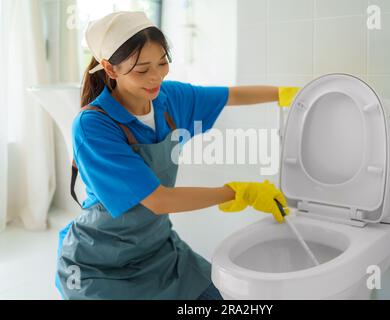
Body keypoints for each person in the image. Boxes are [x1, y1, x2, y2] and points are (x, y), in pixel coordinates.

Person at [55, 11, 300, 300]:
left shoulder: (168, 98)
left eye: (162, 63)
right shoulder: (93, 125)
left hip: (160, 253)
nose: (156, 77)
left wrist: (286, 94)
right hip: (100, 265)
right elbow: (159, 200)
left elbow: (230, 96)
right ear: (110, 69)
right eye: (142, 69)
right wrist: (238, 193)